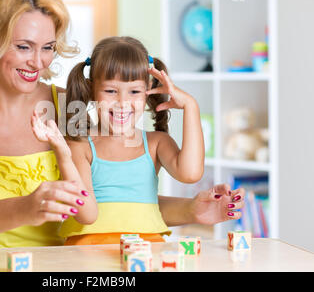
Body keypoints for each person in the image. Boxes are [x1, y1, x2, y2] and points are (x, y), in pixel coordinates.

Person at [0, 0, 244, 250]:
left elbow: (112, 200)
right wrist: (27, 208)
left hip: (64, 265)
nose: (38, 63)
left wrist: (191, 210)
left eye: (48, 47)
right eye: (23, 46)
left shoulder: (69, 105)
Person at [32, 36, 244, 245]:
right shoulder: (80, 146)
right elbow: (86, 215)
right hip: (89, 252)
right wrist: (63, 154)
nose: (123, 102)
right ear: (91, 89)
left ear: (148, 89)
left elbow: (190, 174)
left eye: (134, 91)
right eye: (110, 91)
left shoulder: (156, 142)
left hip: (147, 252)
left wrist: (190, 105)